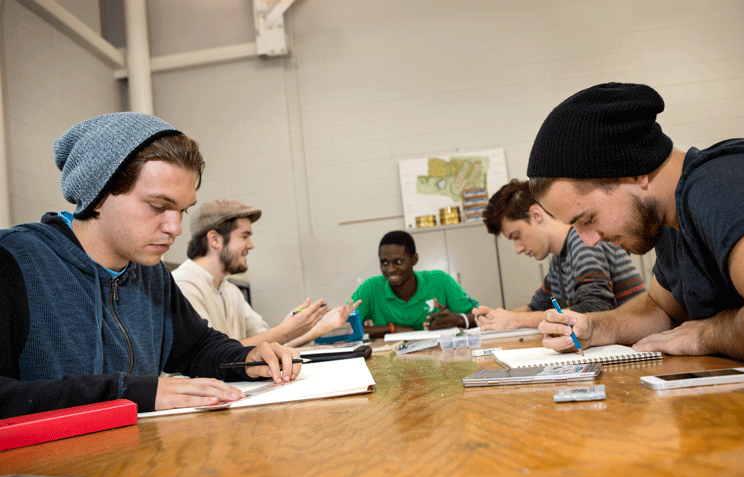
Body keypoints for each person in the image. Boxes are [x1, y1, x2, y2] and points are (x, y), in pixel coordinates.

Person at [0, 112, 301, 418]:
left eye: (182, 210)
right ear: (99, 194)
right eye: (159, 206)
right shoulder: (11, 260)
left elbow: (194, 346)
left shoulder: (150, 271)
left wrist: (244, 358)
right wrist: (129, 393)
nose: (175, 227)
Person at [526, 82, 744, 368]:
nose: (589, 240)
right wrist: (595, 328)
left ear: (633, 172)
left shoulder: (724, 185)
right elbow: (661, 310)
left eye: (588, 219)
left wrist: (707, 334)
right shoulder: (668, 222)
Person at [172, 198, 360, 347]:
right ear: (214, 239)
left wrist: (320, 328)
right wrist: (286, 330)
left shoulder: (230, 291)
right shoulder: (182, 286)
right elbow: (211, 356)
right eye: (244, 236)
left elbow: (268, 344)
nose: (251, 245)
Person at [474, 179, 645, 331]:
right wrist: (496, 317)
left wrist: (517, 320)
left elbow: (595, 309)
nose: (518, 249)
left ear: (536, 215)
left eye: (517, 236)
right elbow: (537, 307)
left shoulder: (582, 242)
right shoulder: (559, 259)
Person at [351, 230, 479, 337]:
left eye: (398, 262)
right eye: (384, 263)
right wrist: (391, 329)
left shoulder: (439, 280)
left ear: (414, 259)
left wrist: (458, 320)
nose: (390, 269)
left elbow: (481, 315)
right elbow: (346, 327)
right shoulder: (371, 287)